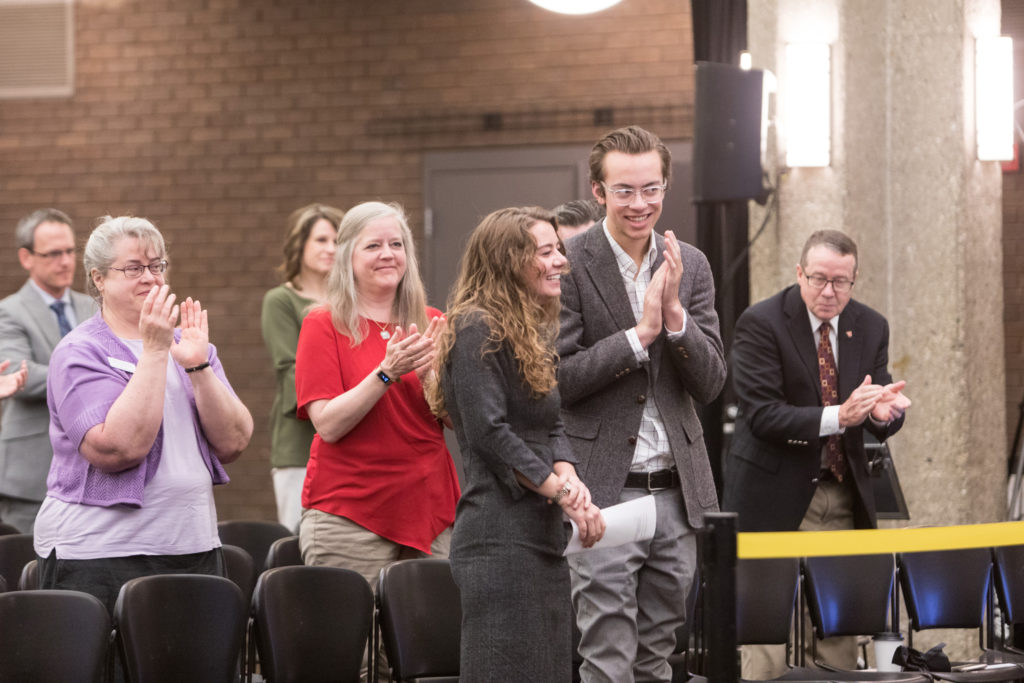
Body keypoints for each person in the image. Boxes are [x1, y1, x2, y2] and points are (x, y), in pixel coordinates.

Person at [557, 126, 727, 682]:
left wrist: (676, 320)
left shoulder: (691, 263)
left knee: (658, 659)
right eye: (625, 190)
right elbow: (560, 378)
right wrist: (640, 335)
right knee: (607, 658)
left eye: (651, 189)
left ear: (666, 187)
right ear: (598, 191)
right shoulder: (569, 262)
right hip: (605, 492)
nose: (640, 204)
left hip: (677, 495)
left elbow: (711, 383)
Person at [35, 215, 253, 618]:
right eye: (133, 268)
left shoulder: (190, 345)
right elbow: (118, 449)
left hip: (193, 545)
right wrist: (154, 352)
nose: (150, 278)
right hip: (100, 553)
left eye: (157, 266)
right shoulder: (80, 351)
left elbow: (235, 441)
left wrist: (198, 366)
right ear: (98, 279)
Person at [723, 229, 910, 677]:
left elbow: (877, 405)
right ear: (799, 273)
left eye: (840, 282)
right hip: (772, 496)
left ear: (854, 278)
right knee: (768, 642)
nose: (829, 292)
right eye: (819, 279)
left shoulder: (870, 325)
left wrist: (882, 416)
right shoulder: (761, 322)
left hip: (843, 495)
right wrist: (839, 417)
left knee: (838, 636)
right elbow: (764, 415)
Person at [431, 206, 606, 682]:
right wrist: (564, 494)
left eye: (558, 251)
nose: (560, 262)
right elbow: (490, 433)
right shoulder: (475, 327)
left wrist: (569, 474)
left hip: (539, 535)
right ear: (509, 260)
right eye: (545, 252)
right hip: (498, 542)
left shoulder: (529, 328)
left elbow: (550, 423)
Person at [294, 201, 460, 677]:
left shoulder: (432, 320)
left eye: (396, 244)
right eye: (374, 245)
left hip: (429, 511)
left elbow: (455, 423)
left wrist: (433, 379)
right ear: (348, 256)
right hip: (350, 514)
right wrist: (386, 373)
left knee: (426, 655)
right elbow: (328, 423)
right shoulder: (323, 323)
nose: (387, 254)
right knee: (360, 662)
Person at [0, 208, 96, 533]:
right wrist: (93, 376)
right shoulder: (8, 312)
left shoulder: (94, 307)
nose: (66, 261)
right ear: (26, 257)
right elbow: (19, 376)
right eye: (53, 253)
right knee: (28, 574)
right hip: (31, 475)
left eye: (70, 251)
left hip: (92, 474)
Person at [261, 202, 344, 533]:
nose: (331, 249)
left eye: (338, 241)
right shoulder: (281, 301)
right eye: (321, 240)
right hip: (300, 444)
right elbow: (291, 370)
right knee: (301, 537)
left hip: (351, 443)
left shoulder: (351, 303)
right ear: (300, 246)